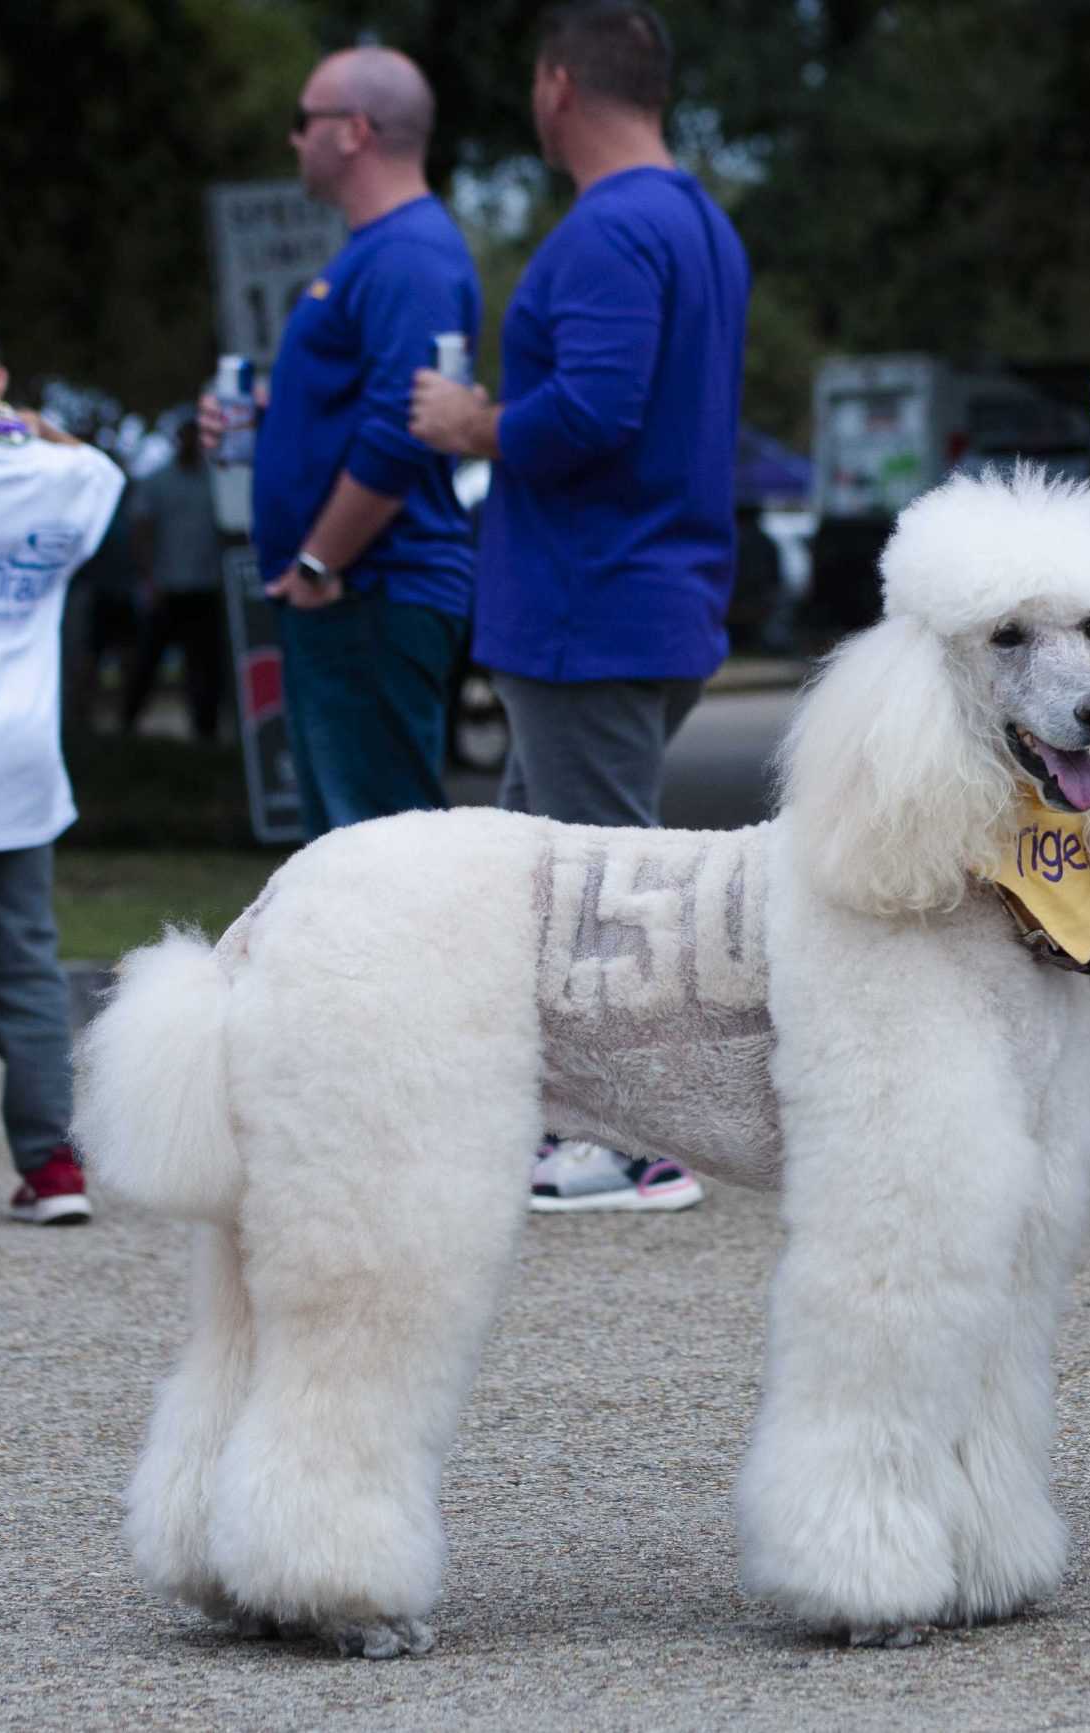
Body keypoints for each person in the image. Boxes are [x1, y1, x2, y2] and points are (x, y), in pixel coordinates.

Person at [409, 1, 750, 1215]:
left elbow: (596, 412)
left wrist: (473, 423)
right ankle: (554, 1119)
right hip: (653, 593)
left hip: (588, 607)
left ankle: (636, 1144)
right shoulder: (700, 221)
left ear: (558, 86)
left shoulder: (610, 232)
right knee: (538, 878)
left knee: (606, 894)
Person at [203, 48, 479, 838]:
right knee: (347, 855)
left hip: (369, 593)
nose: (294, 140)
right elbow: (361, 405)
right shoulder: (379, 252)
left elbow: (402, 428)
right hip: (353, 594)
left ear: (354, 132)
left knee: (376, 861)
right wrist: (261, 411)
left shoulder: (409, 255)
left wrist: (322, 562)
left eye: (304, 122)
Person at [0, 331, 127, 1225]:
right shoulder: (67, 480)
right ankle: (52, 1166)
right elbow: (108, 473)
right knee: (28, 963)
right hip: (21, 744)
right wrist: (32, 425)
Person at [123, 417, 230, 741]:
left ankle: (206, 733)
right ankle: (127, 725)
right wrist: (148, 578)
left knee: (207, 665)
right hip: (166, 587)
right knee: (147, 660)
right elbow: (141, 531)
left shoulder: (214, 482)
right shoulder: (158, 482)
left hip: (204, 586)